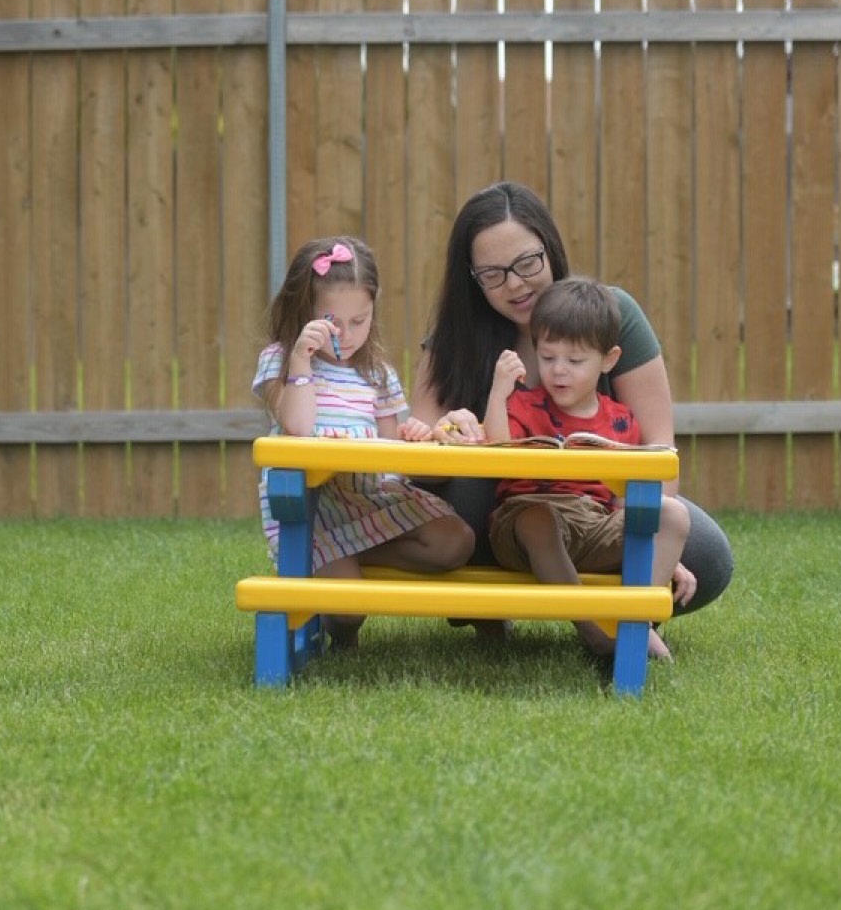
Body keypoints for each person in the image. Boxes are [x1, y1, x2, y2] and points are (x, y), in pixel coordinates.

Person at [411, 182, 735, 636]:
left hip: (593, 512)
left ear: (551, 249)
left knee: (703, 553)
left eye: (527, 263)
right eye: (492, 274)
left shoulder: (610, 311)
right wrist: (447, 428)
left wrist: (634, 522)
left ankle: (616, 621)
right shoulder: (455, 339)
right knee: (474, 483)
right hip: (492, 521)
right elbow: (417, 459)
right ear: (471, 278)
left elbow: (657, 448)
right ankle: (491, 600)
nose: (516, 284)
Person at [254, 236, 475, 649]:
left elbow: (393, 461)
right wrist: (301, 359)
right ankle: (341, 622)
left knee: (456, 540)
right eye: (333, 321)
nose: (347, 334)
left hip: (366, 497)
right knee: (349, 608)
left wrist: (416, 437)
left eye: (360, 320)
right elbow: (299, 429)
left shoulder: (377, 374)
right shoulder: (279, 361)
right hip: (314, 507)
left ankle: (346, 559)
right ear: (305, 313)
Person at [482, 279, 690, 659]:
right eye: (547, 358)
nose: (559, 371)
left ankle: (635, 627)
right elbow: (497, 450)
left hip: (593, 522)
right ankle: (593, 633)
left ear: (608, 360)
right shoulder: (526, 405)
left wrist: (670, 556)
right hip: (523, 525)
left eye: (574, 361)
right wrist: (499, 392)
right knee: (539, 517)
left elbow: (628, 496)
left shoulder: (621, 420)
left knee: (673, 514)